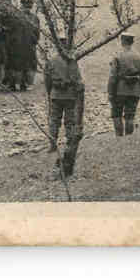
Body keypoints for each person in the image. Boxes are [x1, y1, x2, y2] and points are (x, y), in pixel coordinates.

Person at [44, 36, 85, 178]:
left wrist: (50, 92)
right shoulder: (72, 61)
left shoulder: (51, 61)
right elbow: (77, 79)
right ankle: (69, 141)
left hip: (56, 95)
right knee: (69, 121)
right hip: (70, 96)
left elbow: (47, 79)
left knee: (54, 120)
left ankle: (52, 144)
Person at [108, 34, 140, 136]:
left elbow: (113, 77)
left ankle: (119, 138)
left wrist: (110, 92)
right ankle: (128, 139)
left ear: (122, 42)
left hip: (119, 91)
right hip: (134, 91)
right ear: (132, 42)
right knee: (130, 116)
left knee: (116, 114)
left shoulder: (117, 56)